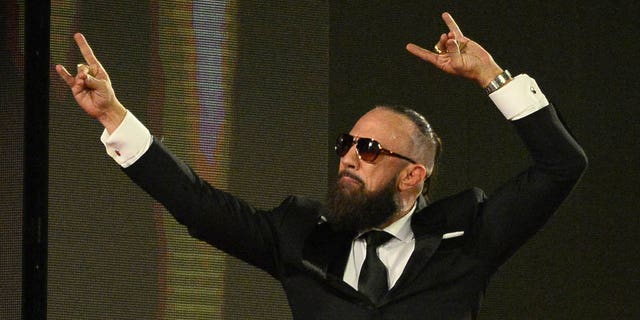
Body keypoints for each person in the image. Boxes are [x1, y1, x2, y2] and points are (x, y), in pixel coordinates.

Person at [57, 12, 586, 320]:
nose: (350, 156)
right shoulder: (300, 236)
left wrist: (492, 76)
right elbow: (197, 203)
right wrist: (115, 117)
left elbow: (560, 165)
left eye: (371, 149)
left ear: (413, 175)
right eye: (348, 143)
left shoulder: (467, 234)